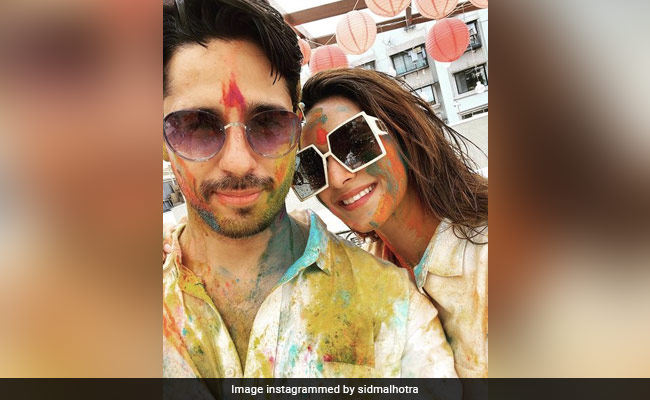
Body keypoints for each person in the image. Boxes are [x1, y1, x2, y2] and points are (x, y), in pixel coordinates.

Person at [162, 0, 456, 378]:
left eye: (268, 123)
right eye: (197, 126)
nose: (238, 161)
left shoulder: (393, 307)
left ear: (295, 128)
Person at [294, 68, 488, 377]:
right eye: (311, 167)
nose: (338, 177)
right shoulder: (364, 282)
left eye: (353, 143)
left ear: (402, 133)